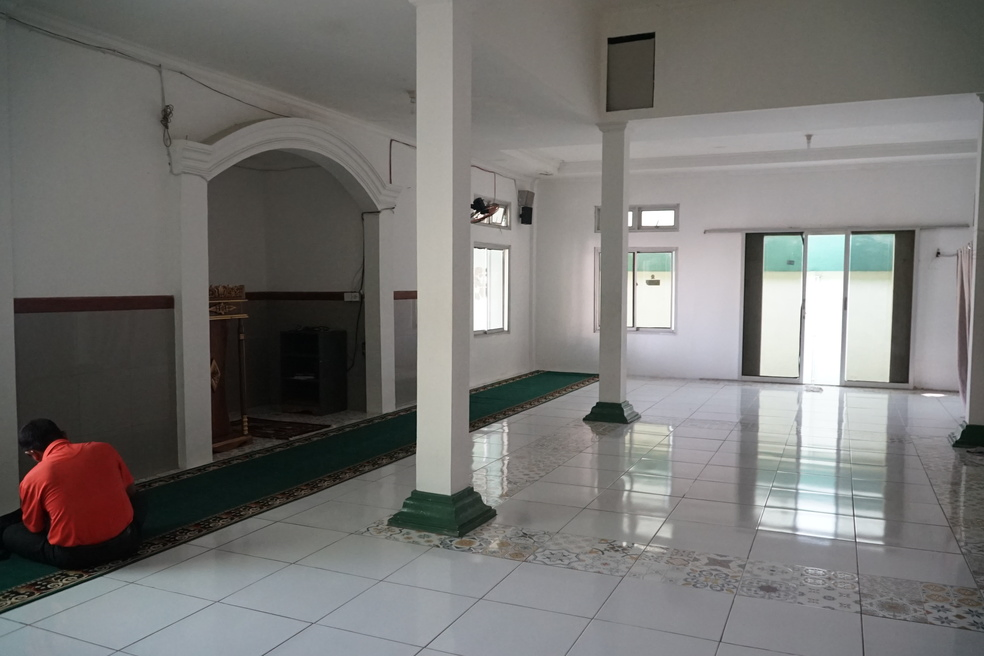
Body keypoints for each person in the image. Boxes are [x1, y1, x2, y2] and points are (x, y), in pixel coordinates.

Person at [0, 419, 145, 569]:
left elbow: (35, 527)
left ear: (33, 454)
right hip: (127, 542)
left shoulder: (32, 478)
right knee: (139, 498)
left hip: (75, 557)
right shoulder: (104, 449)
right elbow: (130, 491)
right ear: (64, 435)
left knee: (10, 533)